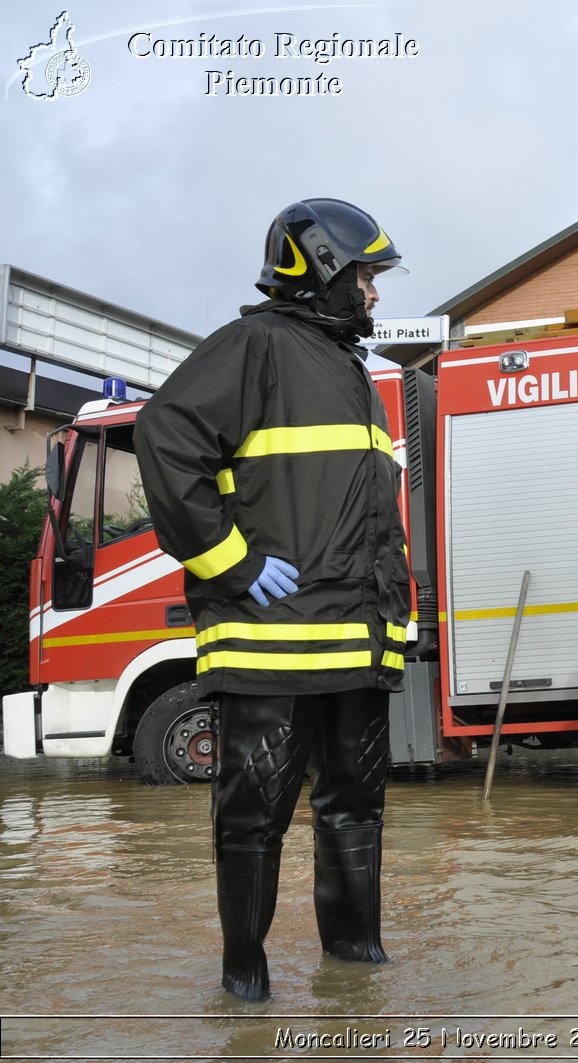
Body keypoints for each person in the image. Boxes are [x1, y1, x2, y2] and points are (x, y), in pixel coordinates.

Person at [135, 198, 412, 1001]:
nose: (374, 293)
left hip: (354, 647)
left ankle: (358, 971)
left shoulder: (350, 368)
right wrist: (232, 561)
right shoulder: (254, 345)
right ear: (324, 267)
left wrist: (392, 616)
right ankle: (244, 985)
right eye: (366, 274)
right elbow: (165, 436)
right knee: (253, 818)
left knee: (355, 811)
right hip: (268, 645)